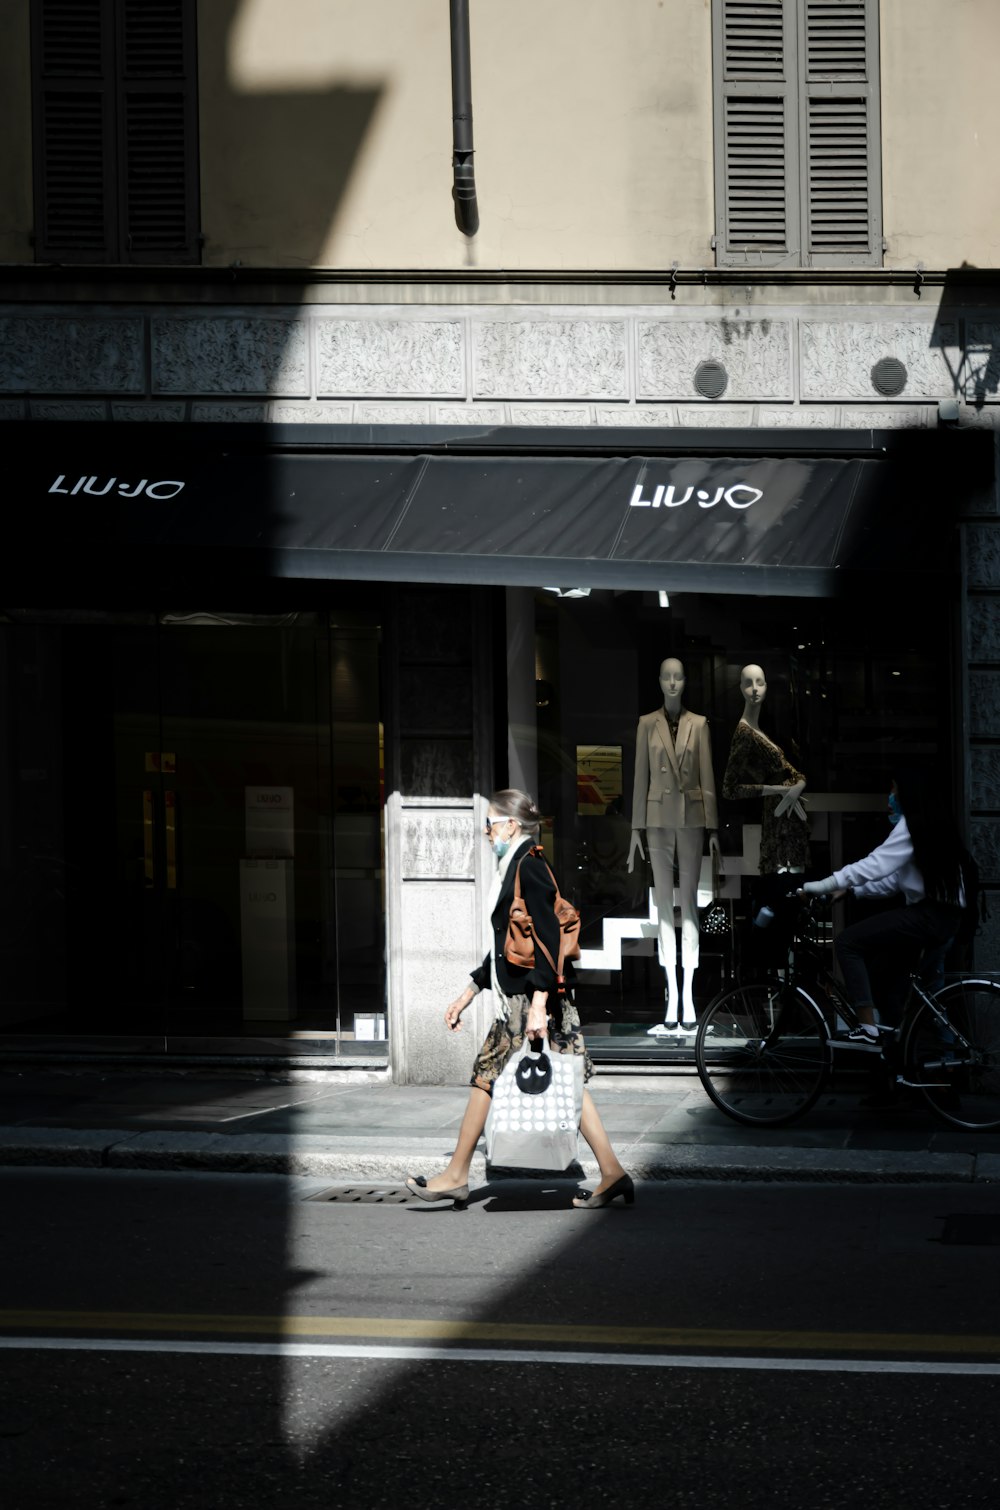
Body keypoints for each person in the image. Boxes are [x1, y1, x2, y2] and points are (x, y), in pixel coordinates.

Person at [406, 788, 634, 1209]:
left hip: (531, 1000)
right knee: (566, 1083)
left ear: (511, 825)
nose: (486, 832)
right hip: (526, 997)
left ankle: (457, 1175)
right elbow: (506, 948)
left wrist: (540, 1005)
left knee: (488, 1077)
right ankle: (613, 1172)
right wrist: (468, 993)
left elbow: (547, 941)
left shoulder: (530, 867)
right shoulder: (514, 867)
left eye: (490, 823)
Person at [799, 769, 969, 1043]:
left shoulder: (910, 827)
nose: (890, 797)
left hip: (927, 917)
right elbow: (892, 881)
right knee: (902, 988)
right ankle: (934, 1064)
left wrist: (822, 885)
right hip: (944, 919)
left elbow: (875, 865)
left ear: (907, 794)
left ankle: (868, 1028)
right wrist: (850, 891)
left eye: (893, 790)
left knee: (847, 943)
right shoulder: (932, 825)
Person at [628, 657, 721, 1032]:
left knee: (691, 910)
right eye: (666, 676)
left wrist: (713, 829)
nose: (672, 683)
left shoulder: (699, 724)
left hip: (693, 819)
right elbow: (639, 775)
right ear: (659, 681)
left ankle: (689, 994)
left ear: (685, 681)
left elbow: (708, 775)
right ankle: (673, 995)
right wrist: (635, 827)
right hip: (657, 821)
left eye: (678, 677)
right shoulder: (646, 724)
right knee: (664, 908)